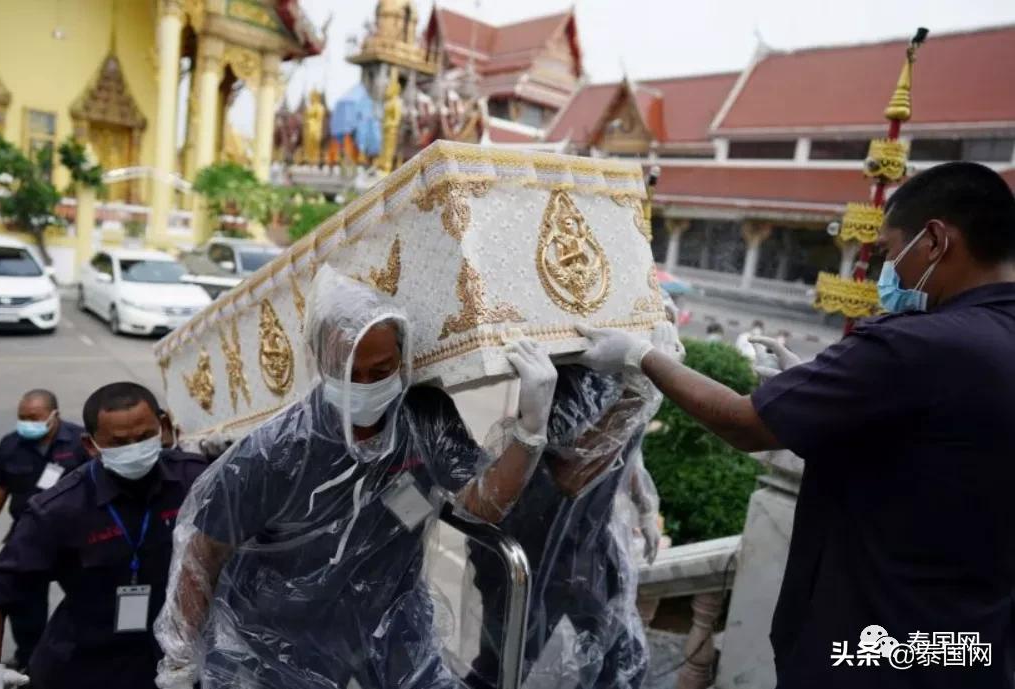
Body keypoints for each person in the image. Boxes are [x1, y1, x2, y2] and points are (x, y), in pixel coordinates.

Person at [573, 161, 1015, 689]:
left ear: (936, 241)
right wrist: (815, 386)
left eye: (889, 252)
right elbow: (932, 443)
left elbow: (745, 424)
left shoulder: (918, 343)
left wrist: (642, 355)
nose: (887, 269)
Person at [154, 267, 558, 689]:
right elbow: (203, 557)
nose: (364, 385)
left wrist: (530, 432)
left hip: (391, 625)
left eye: (380, 370)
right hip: (278, 642)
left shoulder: (422, 417)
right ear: (321, 362)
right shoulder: (273, 452)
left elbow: (482, 504)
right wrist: (181, 660)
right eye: (348, 373)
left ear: (403, 359)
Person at [466, 326, 676, 689]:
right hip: (534, 546)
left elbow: (628, 453)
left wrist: (645, 508)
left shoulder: (631, 374)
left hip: (590, 546)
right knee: (504, 666)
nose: (664, 338)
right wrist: (642, 386)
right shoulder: (580, 368)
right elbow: (571, 472)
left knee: (621, 660)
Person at [0, 382, 207, 689]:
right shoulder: (58, 510)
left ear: (164, 426)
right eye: (119, 443)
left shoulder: (196, 481)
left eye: (144, 437)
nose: (134, 448)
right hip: (84, 666)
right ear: (91, 446)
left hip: (174, 662)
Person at [0, 389, 90, 671]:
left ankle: (83, 658)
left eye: (33, 417)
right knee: (23, 605)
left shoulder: (81, 442)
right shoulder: (11, 445)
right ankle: (28, 662)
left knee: (90, 598)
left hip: (76, 538)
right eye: (22, 417)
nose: (26, 423)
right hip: (27, 536)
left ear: (54, 415)